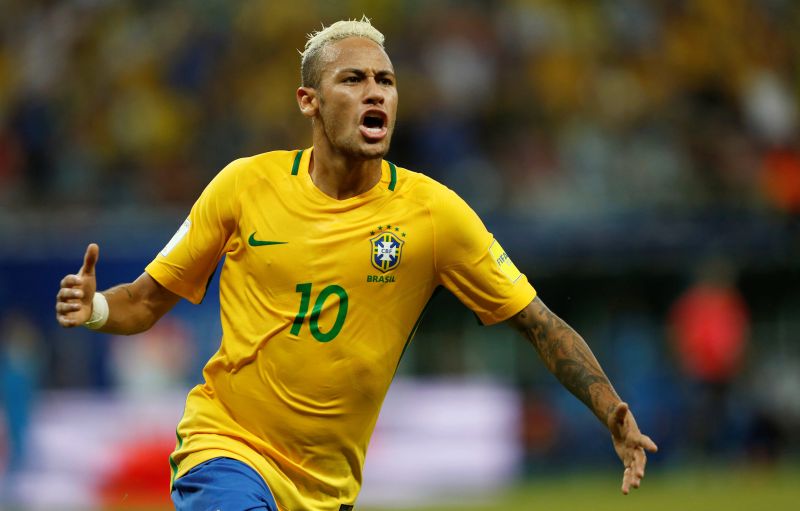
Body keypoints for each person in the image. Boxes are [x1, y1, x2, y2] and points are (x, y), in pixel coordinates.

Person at [56, 18, 657, 511]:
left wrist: (613, 412)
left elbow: (538, 322)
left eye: (386, 81)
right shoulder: (244, 186)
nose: (376, 93)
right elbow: (146, 300)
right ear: (309, 101)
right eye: (353, 79)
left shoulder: (432, 214)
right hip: (227, 448)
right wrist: (96, 308)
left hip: (329, 487)